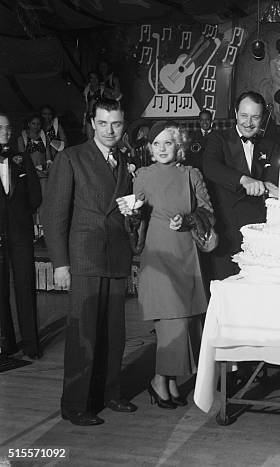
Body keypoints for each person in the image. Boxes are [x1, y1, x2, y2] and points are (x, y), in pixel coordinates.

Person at [42, 98, 137, 426]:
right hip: (84, 258)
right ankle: (75, 404)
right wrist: (60, 264)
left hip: (116, 257)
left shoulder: (124, 160)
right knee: (83, 336)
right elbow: (53, 214)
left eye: (117, 124)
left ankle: (109, 394)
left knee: (114, 335)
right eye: (104, 123)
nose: (111, 130)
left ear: (123, 125)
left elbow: (123, 211)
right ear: (92, 124)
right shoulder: (71, 158)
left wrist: (134, 215)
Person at [120, 121, 214, 409]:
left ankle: (168, 380)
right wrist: (131, 214)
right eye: (156, 144)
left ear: (179, 146)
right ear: (149, 148)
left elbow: (208, 211)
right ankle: (160, 379)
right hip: (158, 254)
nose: (162, 149)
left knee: (184, 320)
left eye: (168, 143)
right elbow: (135, 218)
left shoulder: (191, 174)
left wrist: (187, 220)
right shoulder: (144, 176)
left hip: (186, 254)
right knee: (170, 320)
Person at [202, 91, 278, 280]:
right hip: (227, 228)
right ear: (236, 113)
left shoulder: (269, 144)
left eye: (255, 117)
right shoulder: (218, 138)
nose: (249, 123)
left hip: (257, 231)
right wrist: (243, 179)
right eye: (244, 116)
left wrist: (270, 185)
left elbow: (271, 177)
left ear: (263, 118)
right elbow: (210, 167)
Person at [0, 113, 42, 359]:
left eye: (8, 127)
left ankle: (31, 345)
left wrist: (22, 216)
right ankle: (6, 343)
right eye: (1, 127)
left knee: (25, 286)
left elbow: (36, 194)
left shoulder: (22, 158)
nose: (6, 131)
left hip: (21, 233)